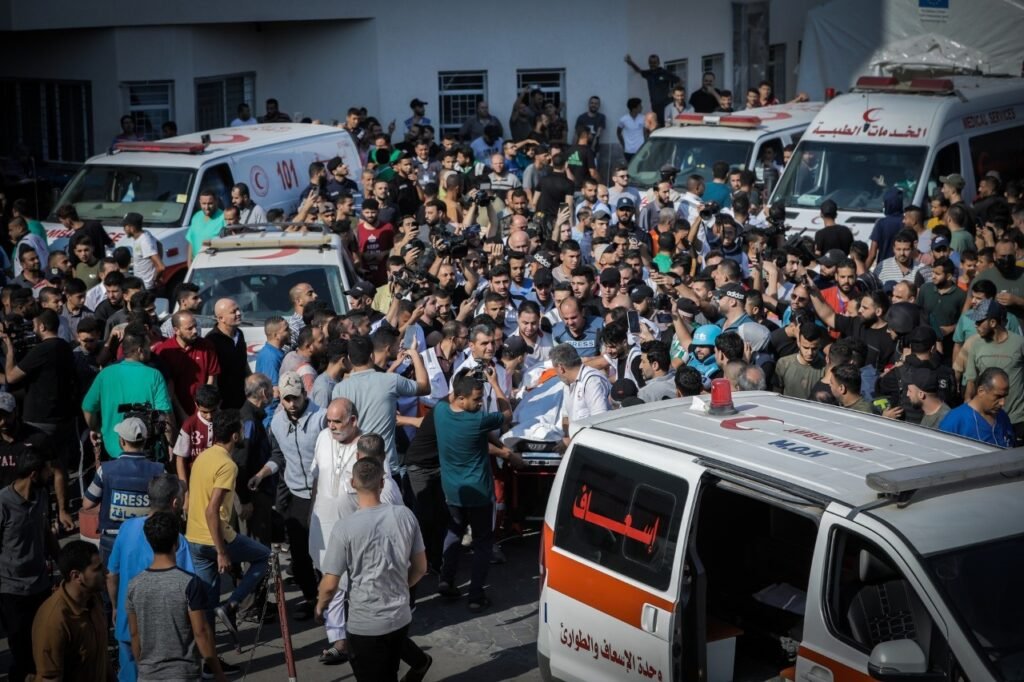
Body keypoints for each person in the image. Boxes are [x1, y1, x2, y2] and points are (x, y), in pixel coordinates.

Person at [315, 457, 428, 682]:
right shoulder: (405, 515)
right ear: (383, 483)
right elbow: (420, 568)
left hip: (365, 625)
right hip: (399, 617)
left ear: (352, 483)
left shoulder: (344, 528)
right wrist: (400, 587)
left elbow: (330, 585)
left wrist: (320, 607)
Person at [107, 473, 203, 682]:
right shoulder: (176, 540)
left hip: (126, 624)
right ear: (175, 502)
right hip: (162, 638)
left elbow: (112, 574)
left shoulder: (126, 528)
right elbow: (188, 588)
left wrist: (116, 606)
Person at [435, 368, 515, 611]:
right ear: (461, 398)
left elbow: (444, 399)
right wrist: (494, 382)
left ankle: (446, 580)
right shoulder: (478, 421)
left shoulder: (440, 412)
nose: (481, 403)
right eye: (477, 399)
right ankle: (476, 595)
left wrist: (462, 379)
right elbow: (507, 413)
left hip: (452, 491)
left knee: (454, 532)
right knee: (482, 543)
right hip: (479, 494)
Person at [248, 372, 326, 620]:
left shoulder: (322, 418)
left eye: (297, 398)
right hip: (296, 495)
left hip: (324, 494)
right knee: (300, 553)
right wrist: (261, 474)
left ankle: (331, 599)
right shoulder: (277, 423)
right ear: (280, 398)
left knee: (326, 553)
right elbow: (277, 456)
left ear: (304, 394)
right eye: (287, 399)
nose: (292, 404)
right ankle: (311, 597)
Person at [127, 511, 226, 682]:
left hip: (147, 675)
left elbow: (135, 635)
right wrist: (218, 673)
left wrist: (143, 668)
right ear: (177, 542)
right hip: (184, 674)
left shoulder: (134, 585)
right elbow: (201, 632)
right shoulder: (189, 583)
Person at [332, 333, 429, 474]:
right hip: (387, 468)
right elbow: (424, 387)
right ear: (372, 356)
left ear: (349, 359)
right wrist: (414, 354)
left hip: (356, 468)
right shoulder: (391, 381)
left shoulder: (339, 389)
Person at [0, 451, 58, 682]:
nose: (51, 473)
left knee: (43, 646)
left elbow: (45, 531)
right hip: (11, 592)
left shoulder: (42, 494)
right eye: (47, 470)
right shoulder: (3, 503)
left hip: (40, 586)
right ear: (34, 474)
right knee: (22, 652)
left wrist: (62, 560)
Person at [81, 417, 166, 561]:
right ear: (145, 441)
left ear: (121, 441)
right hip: (146, 540)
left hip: (113, 540)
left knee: (112, 580)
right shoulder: (159, 471)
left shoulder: (105, 470)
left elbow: (87, 504)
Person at [82, 329, 172, 458]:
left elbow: (88, 407)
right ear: (140, 350)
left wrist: (97, 429)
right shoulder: (154, 375)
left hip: (112, 450)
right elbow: (164, 413)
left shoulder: (105, 374)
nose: (150, 350)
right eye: (148, 347)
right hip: (146, 450)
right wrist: (170, 443)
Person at [31, 540, 109, 682]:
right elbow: (50, 678)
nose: (106, 572)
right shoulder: (54, 620)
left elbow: (102, 657)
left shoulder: (94, 598)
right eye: (98, 569)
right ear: (76, 576)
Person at [963, 299, 1024, 439]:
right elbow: (971, 380)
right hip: (989, 421)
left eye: (979, 322)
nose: (975, 325)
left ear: (992, 323)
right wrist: (968, 406)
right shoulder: (976, 345)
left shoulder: (1019, 343)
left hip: (1019, 419)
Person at [939, 367, 1014, 447]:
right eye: (998, 396)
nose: (1002, 403)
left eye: (1004, 396)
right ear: (981, 391)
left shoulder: (1002, 416)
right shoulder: (955, 421)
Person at [551, 343, 611, 438]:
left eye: (555, 370)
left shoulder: (592, 381)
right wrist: (567, 438)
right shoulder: (567, 384)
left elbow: (600, 421)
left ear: (561, 368)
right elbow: (566, 417)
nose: (556, 374)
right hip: (577, 441)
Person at [206, 298, 249, 409]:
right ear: (221, 318)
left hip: (242, 398)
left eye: (238, 310)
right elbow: (212, 376)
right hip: (223, 402)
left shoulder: (239, 334)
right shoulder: (212, 341)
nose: (239, 314)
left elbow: (244, 363)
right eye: (233, 312)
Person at [772, 322, 825, 398]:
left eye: (814, 348)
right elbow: (776, 393)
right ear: (798, 343)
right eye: (805, 347)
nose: (810, 353)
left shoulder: (825, 368)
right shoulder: (783, 364)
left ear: (820, 345)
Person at [624, 54, 680, 125]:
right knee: (659, 125)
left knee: (668, 124)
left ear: (658, 63)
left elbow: (679, 81)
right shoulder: (648, 74)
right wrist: (631, 62)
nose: (652, 64)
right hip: (655, 105)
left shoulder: (664, 72)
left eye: (654, 62)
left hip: (666, 105)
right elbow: (639, 71)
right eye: (650, 62)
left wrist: (672, 92)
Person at [122, 212, 164, 290]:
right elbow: (159, 245)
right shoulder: (145, 233)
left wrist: (155, 279)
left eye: (125, 226)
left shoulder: (144, 241)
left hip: (146, 288)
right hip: (141, 285)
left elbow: (161, 267)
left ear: (132, 228)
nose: (124, 229)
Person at [185, 190, 225, 263]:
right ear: (200, 202)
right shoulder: (196, 216)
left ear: (216, 201)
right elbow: (191, 241)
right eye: (204, 203)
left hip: (214, 262)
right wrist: (189, 262)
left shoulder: (224, 218)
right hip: (196, 263)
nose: (206, 207)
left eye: (210, 203)